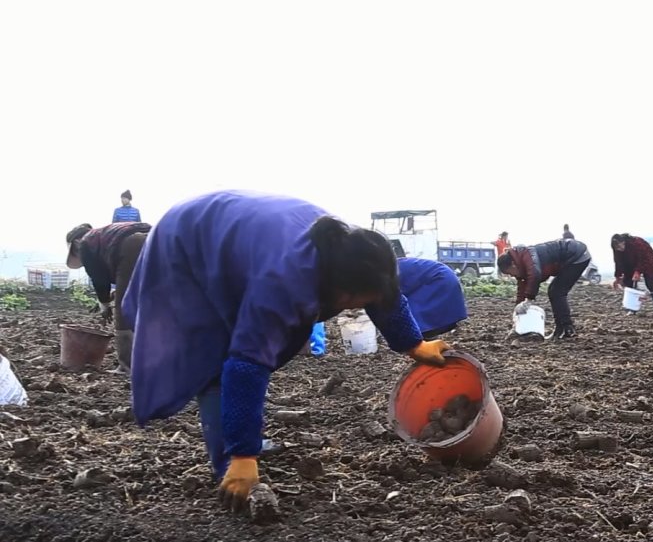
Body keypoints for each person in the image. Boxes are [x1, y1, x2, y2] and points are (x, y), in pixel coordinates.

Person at [121, 190, 451, 512]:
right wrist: (243, 454)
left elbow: (383, 297)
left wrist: (414, 344)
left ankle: (241, 441)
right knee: (217, 357)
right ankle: (231, 465)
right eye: (358, 302)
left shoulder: (353, 250)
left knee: (244, 349)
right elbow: (247, 364)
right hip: (189, 243)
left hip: (241, 235)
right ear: (338, 289)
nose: (362, 307)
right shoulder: (284, 280)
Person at [65, 221, 152, 373]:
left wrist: (104, 304)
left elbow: (99, 280)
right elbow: (124, 276)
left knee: (123, 308)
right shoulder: (103, 236)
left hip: (133, 246)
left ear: (76, 243)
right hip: (156, 239)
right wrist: (115, 293)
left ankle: (127, 365)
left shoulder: (86, 243)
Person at [497, 238, 591, 339]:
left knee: (557, 292)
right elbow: (522, 288)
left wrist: (528, 300)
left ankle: (567, 328)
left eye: (510, 273)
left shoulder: (525, 255)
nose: (511, 276)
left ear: (513, 264)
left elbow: (535, 275)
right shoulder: (520, 265)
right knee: (554, 291)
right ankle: (560, 329)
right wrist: (517, 311)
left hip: (577, 255)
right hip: (570, 257)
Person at [398, 257, 468, 339]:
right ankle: (429, 343)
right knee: (420, 320)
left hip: (439, 278)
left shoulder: (386, 271)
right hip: (443, 277)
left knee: (413, 316)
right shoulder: (390, 265)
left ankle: (427, 345)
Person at [611, 234, 653, 314]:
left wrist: (638, 271)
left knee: (650, 283)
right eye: (617, 248)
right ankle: (632, 308)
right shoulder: (617, 250)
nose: (619, 249)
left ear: (623, 242)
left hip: (648, 262)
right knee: (629, 283)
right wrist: (617, 277)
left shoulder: (637, 243)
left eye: (620, 246)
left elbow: (642, 259)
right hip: (631, 265)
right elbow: (618, 262)